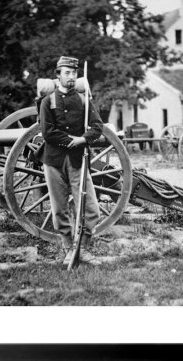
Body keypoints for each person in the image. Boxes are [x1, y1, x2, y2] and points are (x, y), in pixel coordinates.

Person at [38, 56, 103, 266]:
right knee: (59, 208)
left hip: (78, 160)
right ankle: (68, 249)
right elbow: (48, 132)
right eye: (67, 72)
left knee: (91, 208)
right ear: (58, 76)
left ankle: (82, 249)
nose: (71, 76)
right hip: (54, 161)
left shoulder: (84, 101)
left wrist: (83, 139)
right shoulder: (48, 102)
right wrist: (72, 141)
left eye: (74, 73)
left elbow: (97, 127)